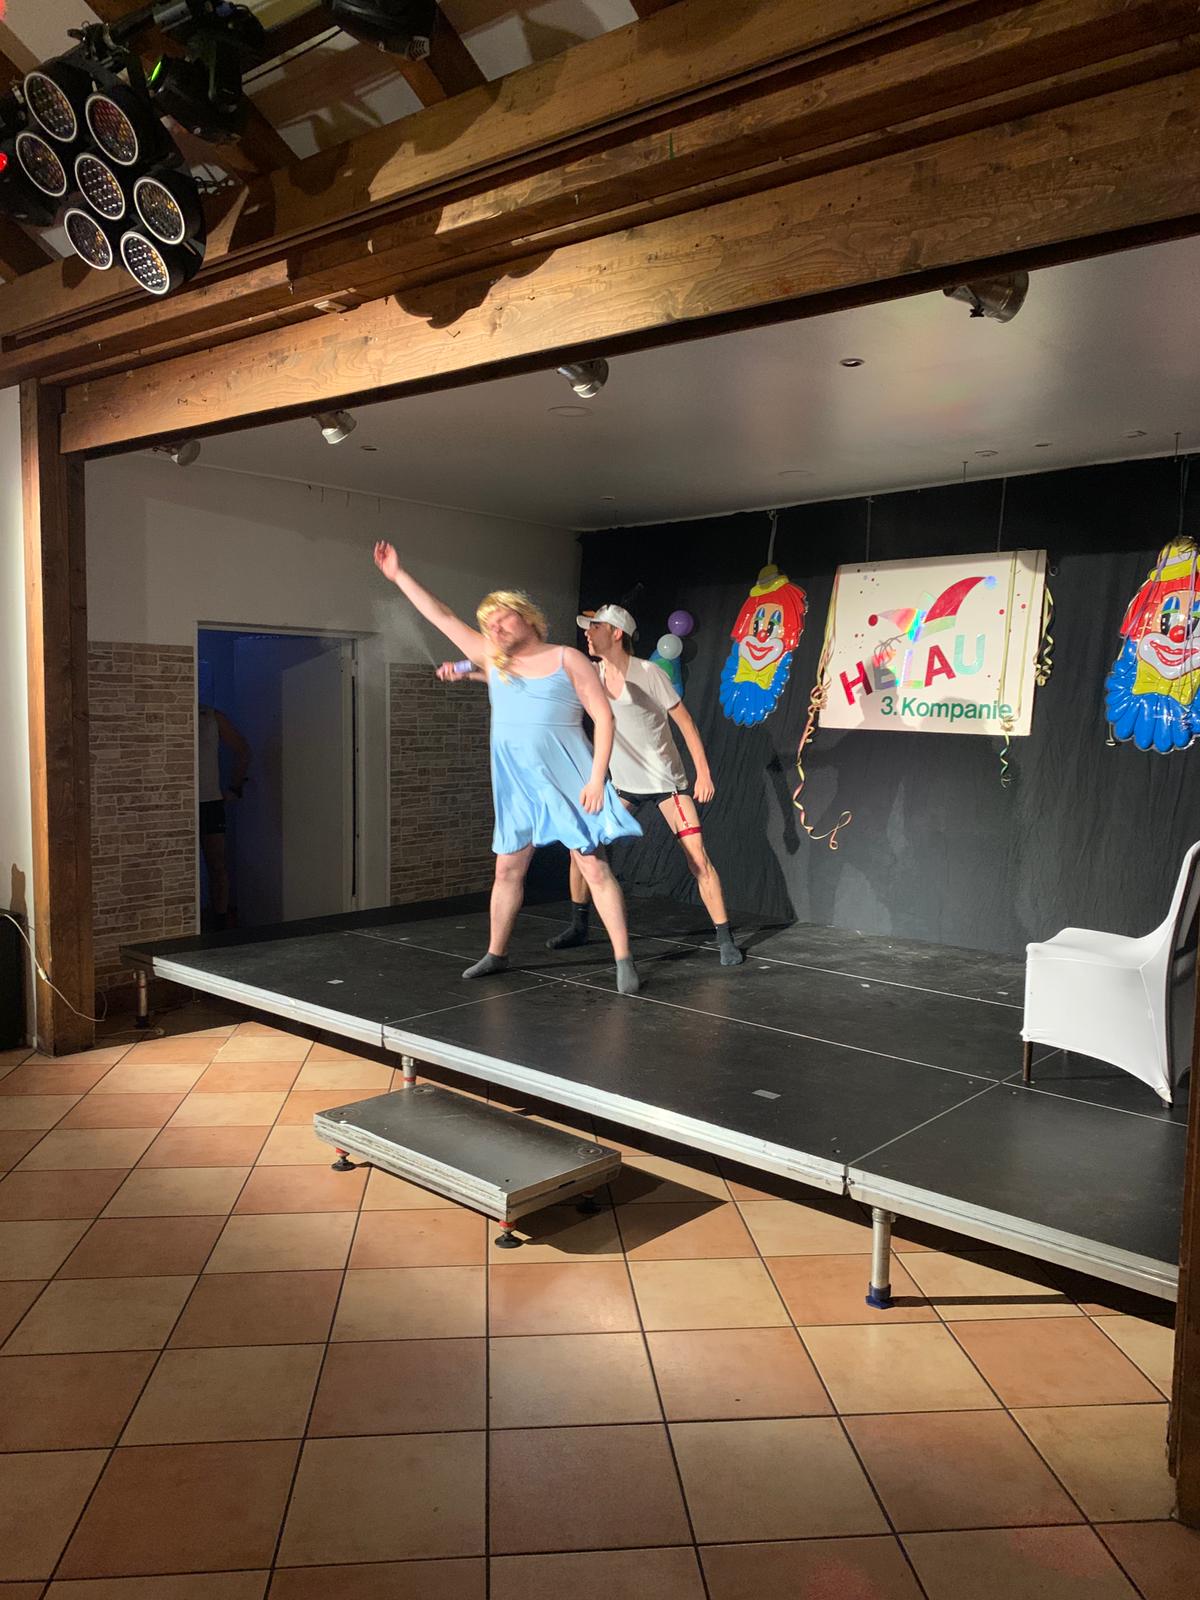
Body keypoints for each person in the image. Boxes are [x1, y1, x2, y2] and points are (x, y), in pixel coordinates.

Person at [373, 542, 644, 994]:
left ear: (528, 618)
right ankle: (496, 953)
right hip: (516, 783)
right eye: (488, 624)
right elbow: (442, 617)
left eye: (502, 619)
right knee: (507, 870)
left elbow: (605, 718)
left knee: (593, 867)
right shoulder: (492, 659)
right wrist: (399, 575)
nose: (494, 628)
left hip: (569, 778)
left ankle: (623, 959)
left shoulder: (567, 658)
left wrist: (598, 779)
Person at [550, 604, 744, 966]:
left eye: (595, 627)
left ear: (616, 633)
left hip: (666, 783)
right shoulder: (592, 674)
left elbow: (686, 724)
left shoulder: (649, 673)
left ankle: (724, 938)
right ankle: (579, 925)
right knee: (581, 845)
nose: (588, 633)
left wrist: (703, 773)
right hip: (624, 785)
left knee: (697, 858)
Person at [197, 702, 251, 931]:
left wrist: (235, 787)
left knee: (217, 863)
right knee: (178, 863)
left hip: (210, 800)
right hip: (177, 802)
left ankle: (220, 923)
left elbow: (243, 750)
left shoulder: (212, 716)